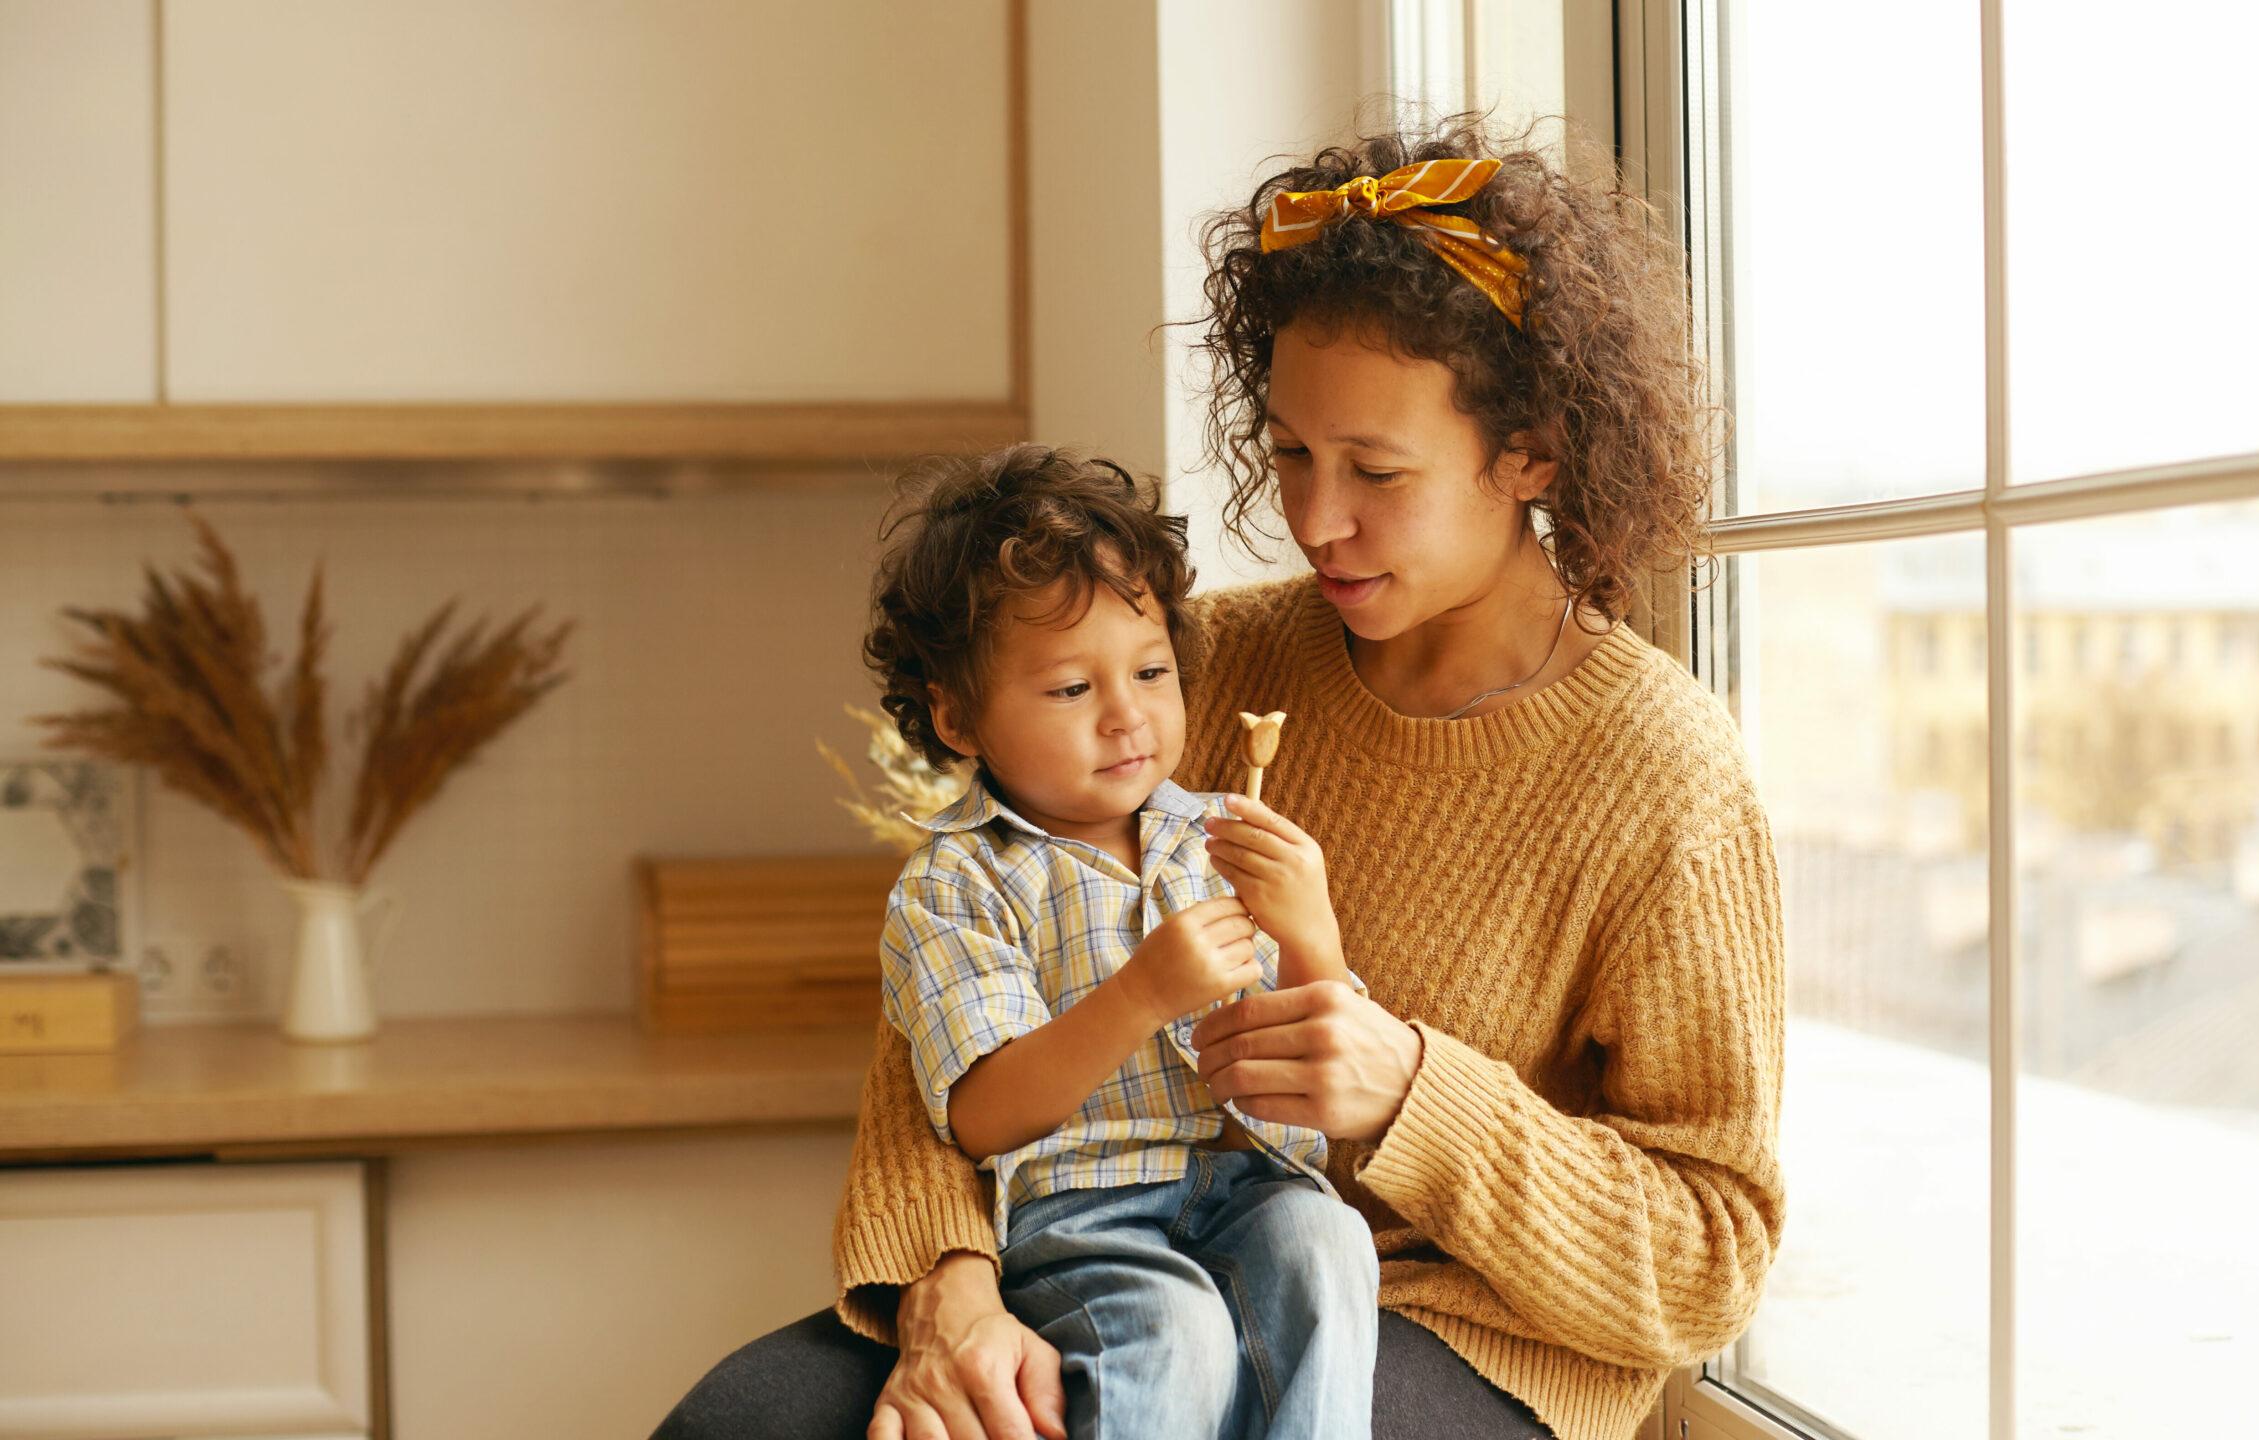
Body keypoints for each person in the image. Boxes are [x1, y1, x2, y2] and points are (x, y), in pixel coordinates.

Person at [655, 114, 1785, 1440]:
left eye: (1375, 470)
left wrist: (1419, 1091)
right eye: (1293, 453)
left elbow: (1713, 1251)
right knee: (744, 1423)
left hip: (1461, 1332)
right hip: (1102, 1248)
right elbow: (954, 1009)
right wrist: (951, 1281)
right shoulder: (1196, 669)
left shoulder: (1665, 773)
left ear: (1528, 451)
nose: (1315, 519)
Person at [867, 446, 1379, 1440]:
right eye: (1069, 691)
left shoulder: (1223, 835)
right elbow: (977, 1114)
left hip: (1246, 1184)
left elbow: (1320, 1090)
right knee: (1176, 1331)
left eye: (1151, 672)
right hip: (1082, 1218)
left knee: (1326, 1244)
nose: (1126, 716)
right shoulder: (955, 885)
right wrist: (1140, 996)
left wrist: (1312, 936)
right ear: (957, 716)